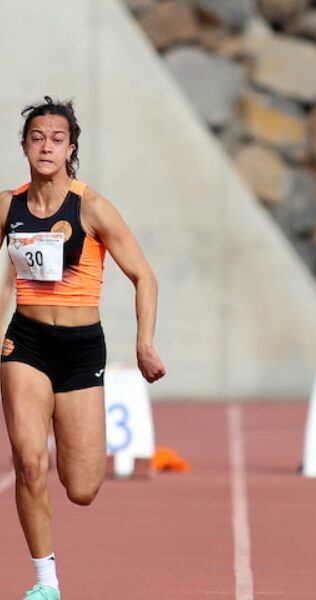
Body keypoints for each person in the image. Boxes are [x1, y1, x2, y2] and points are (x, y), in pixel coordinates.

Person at [1, 97, 166, 600]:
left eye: (56, 139)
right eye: (37, 138)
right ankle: (46, 582)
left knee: (82, 488)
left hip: (79, 349)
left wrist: (143, 343)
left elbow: (144, 277)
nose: (46, 146)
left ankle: (77, 431)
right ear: (25, 146)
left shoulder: (91, 206)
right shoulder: (8, 204)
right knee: (29, 464)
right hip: (25, 341)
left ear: (70, 148)